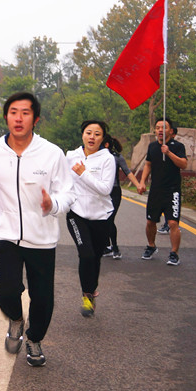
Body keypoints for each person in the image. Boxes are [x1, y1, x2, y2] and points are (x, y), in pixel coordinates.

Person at [0, 92, 74, 368]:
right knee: (6, 288)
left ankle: (34, 338)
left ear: (36, 119)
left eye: (25, 113)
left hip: (41, 237)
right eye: (13, 112)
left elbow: (68, 192)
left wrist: (52, 204)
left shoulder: (51, 153)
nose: (19, 118)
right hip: (4, 232)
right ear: (5, 117)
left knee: (43, 298)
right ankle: (16, 320)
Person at [65, 120, 115, 317]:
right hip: (76, 214)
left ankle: (92, 290)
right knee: (85, 254)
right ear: (82, 135)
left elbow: (105, 189)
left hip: (101, 216)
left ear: (102, 138)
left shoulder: (107, 159)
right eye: (88, 133)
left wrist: (83, 173)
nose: (92, 137)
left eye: (97, 134)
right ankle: (87, 296)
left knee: (95, 257)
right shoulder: (71, 156)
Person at [137, 117, 188, 266]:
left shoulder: (178, 146)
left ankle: (174, 253)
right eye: (158, 128)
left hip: (172, 191)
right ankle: (151, 246)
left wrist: (169, 153)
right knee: (150, 221)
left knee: (173, 223)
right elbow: (148, 164)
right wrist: (142, 181)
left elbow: (184, 164)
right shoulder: (152, 147)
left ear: (171, 131)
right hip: (156, 191)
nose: (160, 130)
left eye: (164, 127)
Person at [102, 136, 141, 260]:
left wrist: (138, 185)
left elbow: (128, 172)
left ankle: (115, 247)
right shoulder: (95, 157)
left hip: (114, 192)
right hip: (101, 192)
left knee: (109, 218)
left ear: (106, 144)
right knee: (102, 219)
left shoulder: (117, 157)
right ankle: (106, 246)